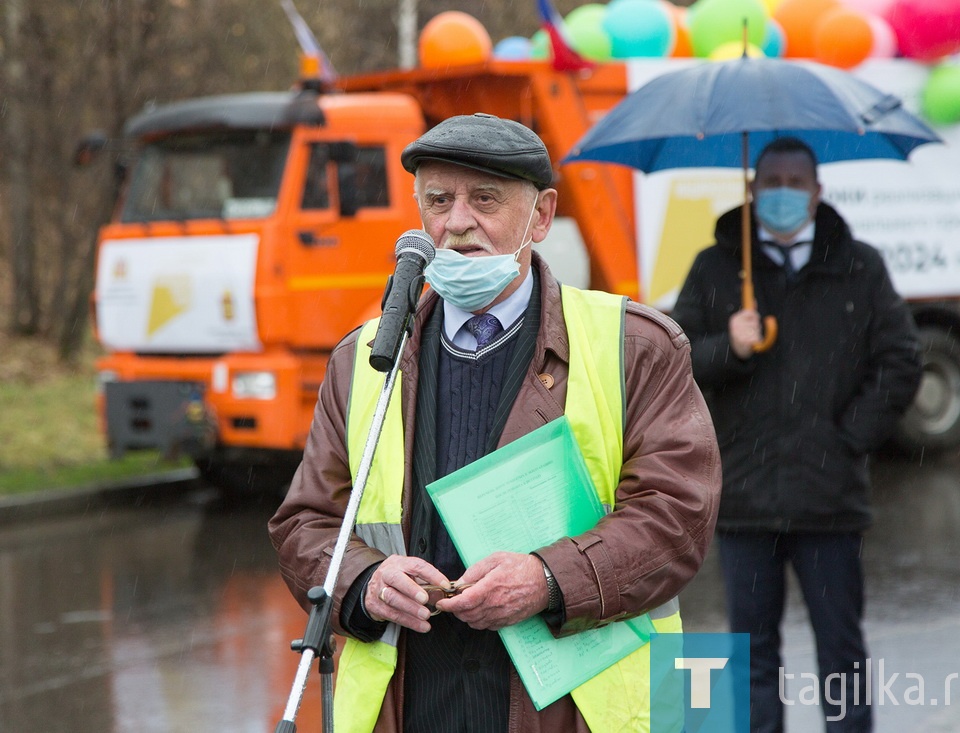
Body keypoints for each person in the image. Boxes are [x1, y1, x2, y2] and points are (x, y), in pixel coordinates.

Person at [268, 113, 721, 733]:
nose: (457, 223)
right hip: (412, 702)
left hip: (579, 711)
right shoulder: (363, 358)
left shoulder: (635, 344)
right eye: (438, 200)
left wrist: (547, 579)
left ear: (541, 216)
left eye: (485, 199)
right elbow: (306, 521)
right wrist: (364, 582)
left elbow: (678, 518)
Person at [671, 137, 923, 733]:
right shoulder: (716, 267)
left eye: (795, 183)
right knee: (750, 656)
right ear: (753, 191)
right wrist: (726, 347)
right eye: (771, 183)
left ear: (817, 192)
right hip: (744, 501)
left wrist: (848, 438)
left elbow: (901, 360)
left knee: (842, 656)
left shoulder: (860, 266)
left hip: (828, 499)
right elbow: (675, 356)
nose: (782, 194)